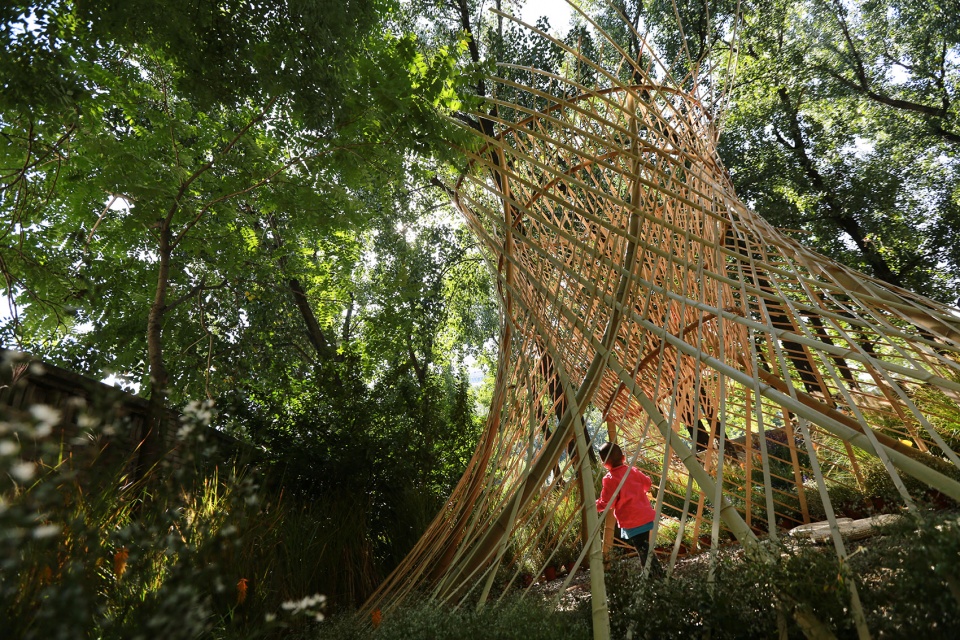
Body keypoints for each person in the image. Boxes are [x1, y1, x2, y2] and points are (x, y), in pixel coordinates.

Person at [596, 442, 664, 577]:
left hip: (632, 519)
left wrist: (594, 506)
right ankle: (650, 573)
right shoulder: (632, 471)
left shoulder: (609, 479)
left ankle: (656, 574)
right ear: (623, 457)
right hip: (645, 515)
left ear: (605, 463)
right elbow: (647, 484)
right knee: (643, 546)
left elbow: (607, 502)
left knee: (643, 548)